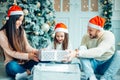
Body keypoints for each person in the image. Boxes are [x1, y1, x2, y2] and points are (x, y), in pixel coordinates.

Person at [65, 16, 116, 80]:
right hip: (93, 64)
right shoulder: (86, 36)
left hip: (106, 65)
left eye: (90, 30)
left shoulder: (109, 35)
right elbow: (81, 53)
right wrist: (72, 53)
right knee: (81, 48)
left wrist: (76, 53)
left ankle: (105, 78)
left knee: (119, 54)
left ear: (98, 30)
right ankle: (91, 77)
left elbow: (99, 51)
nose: (88, 32)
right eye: (87, 29)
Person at [0, 5, 39, 80]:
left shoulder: (21, 31)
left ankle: (25, 73)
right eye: (18, 20)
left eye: (22, 20)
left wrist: (37, 51)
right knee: (11, 66)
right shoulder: (2, 34)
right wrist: (28, 56)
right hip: (13, 64)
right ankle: (30, 73)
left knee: (39, 59)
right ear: (12, 19)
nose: (20, 23)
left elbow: (27, 47)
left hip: (25, 63)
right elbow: (11, 52)